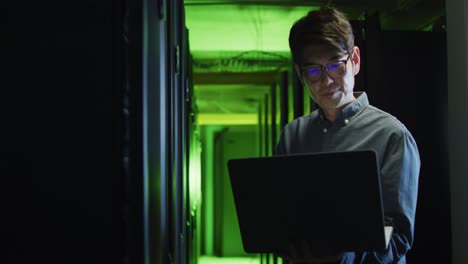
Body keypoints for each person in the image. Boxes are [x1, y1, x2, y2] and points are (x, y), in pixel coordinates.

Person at [275, 6, 420, 264]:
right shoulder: (292, 136)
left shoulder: (392, 136)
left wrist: (344, 258)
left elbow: (397, 236)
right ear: (300, 74)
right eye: (313, 71)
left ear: (354, 60)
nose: (326, 80)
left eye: (335, 65)